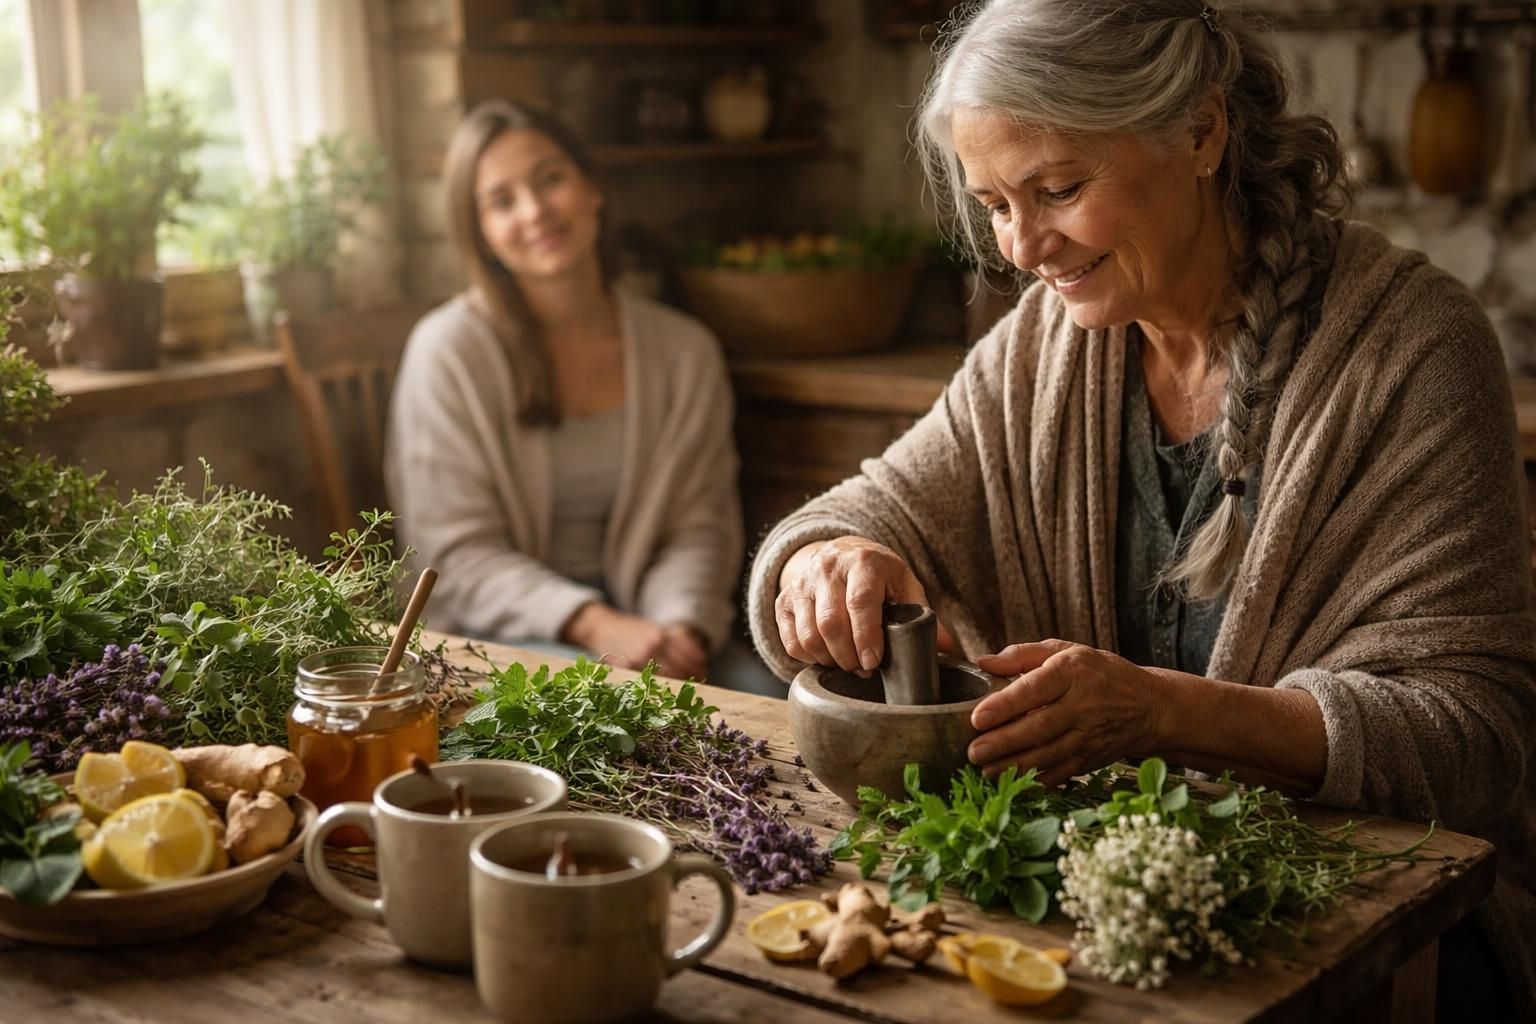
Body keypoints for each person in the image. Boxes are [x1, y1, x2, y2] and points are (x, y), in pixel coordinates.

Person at [745, 0, 1536, 1016]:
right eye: (994, 203)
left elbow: (1474, 739)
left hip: (1362, 940)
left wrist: (1165, 713)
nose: (1024, 247)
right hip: (1095, 929)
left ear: (1201, 132)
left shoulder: (1413, 351)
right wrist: (827, 558)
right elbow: (876, 506)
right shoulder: (1044, 348)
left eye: (1059, 189)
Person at [386, 100, 776, 694]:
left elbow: (700, 526)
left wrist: (680, 631)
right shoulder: (447, 352)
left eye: (551, 179)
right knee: (616, 726)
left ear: (591, 187)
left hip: (653, 629)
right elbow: (456, 556)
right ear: (482, 234)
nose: (535, 210)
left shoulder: (684, 351)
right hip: (494, 641)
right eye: (501, 200)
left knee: (773, 703)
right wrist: (596, 624)